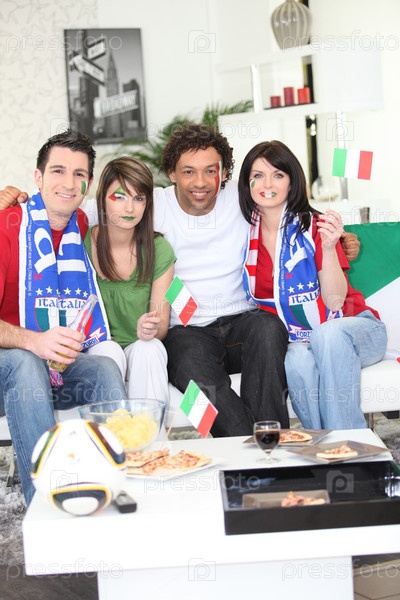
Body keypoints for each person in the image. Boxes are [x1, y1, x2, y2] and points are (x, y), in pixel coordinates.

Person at [0, 123, 361, 436]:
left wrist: (341, 239)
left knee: (268, 330)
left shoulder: (241, 200)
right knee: (194, 386)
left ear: (223, 173)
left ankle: (272, 440)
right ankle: (250, 452)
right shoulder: (148, 203)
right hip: (185, 332)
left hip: (243, 321)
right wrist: (14, 199)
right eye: (188, 171)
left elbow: (291, 210)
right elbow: (71, 203)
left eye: (210, 171)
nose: (200, 182)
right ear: (172, 173)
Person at [0, 129, 127, 506]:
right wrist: (34, 341)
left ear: (88, 183)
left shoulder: (81, 225)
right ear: (37, 177)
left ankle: (120, 486)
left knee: (104, 368)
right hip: (11, 368)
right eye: (58, 171)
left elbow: (136, 205)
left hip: (52, 369)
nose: (69, 183)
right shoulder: (7, 227)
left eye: (79, 174)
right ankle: (44, 503)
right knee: (25, 361)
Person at [238, 140, 387, 429]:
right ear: (247, 183)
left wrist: (330, 248)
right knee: (296, 360)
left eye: (278, 175)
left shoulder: (315, 227)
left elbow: (335, 302)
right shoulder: (243, 235)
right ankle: (323, 444)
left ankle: (349, 444)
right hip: (299, 340)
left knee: (327, 335)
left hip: (354, 329)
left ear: (292, 182)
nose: (267, 184)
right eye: (258, 175)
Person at [83, 156, 175, 404]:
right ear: (102, 199)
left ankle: (149, 429)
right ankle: (112, 429)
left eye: (139, 198)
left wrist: (151, 328)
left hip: (139, 346)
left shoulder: (159, 249)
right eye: (120, 197)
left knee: (150, 348)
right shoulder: (81, 243)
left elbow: (161, 325)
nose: (130, 208)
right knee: (109, 350)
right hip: (96, 346)